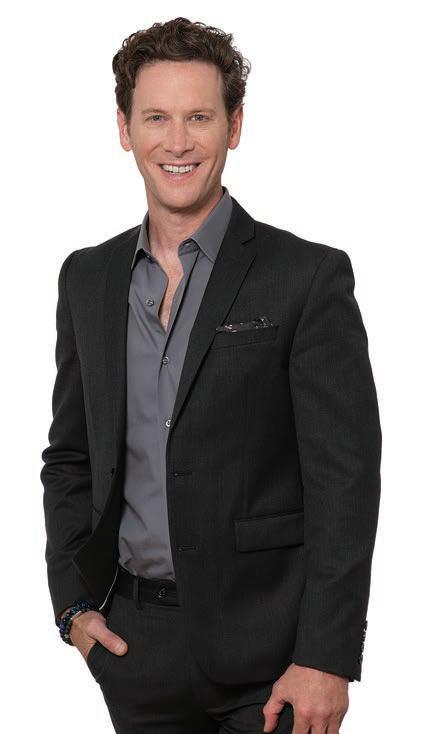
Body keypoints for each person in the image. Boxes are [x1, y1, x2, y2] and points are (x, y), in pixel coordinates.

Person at [40, 16, 382, 734]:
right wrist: (72, 605)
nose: (178, 142)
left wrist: (326, 656)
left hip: (274, 660)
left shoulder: (306, 276)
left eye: (199, 117)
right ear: (124, 129)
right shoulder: (87, 278)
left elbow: (345, 478)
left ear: (234, 126)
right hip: (133, 647)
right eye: (156, 118)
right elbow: (70, 456)